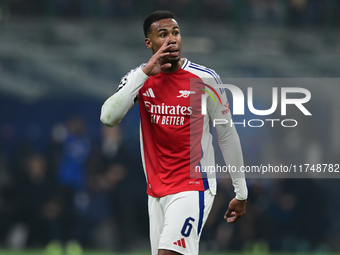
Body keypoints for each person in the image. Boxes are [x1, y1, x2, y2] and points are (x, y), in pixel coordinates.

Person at [100, 10, 247, 255]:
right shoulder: (139, 79)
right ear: (149, 43)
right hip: (156, 191)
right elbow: (108, 118)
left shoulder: (205, 79)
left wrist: (241, 191)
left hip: (193, 185)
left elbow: (227, 134)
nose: (172, 39)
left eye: (176, 33)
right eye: (163, 34)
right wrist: (145, 73)